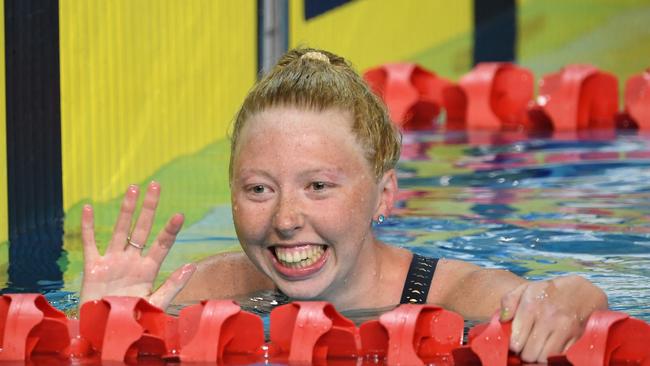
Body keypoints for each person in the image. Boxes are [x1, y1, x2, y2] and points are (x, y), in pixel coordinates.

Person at [80, 48, 607, 363]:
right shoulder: (200, 293)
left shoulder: (457, 297)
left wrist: (577, 297)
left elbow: (559, 305)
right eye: (259, 189)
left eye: (318, 187)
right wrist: (99, 331)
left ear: (384, 194)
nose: (285, 220)